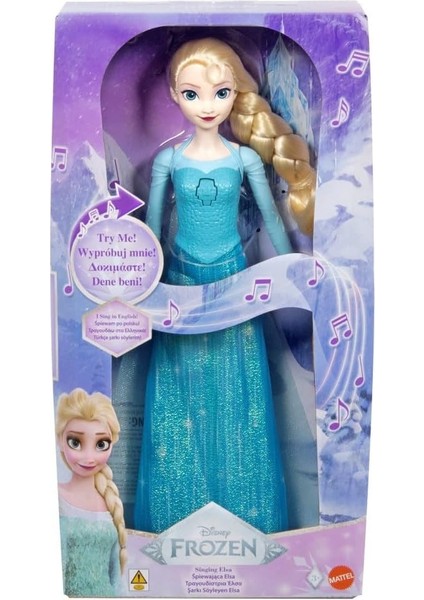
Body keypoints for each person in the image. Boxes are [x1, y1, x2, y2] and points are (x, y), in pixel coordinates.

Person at [134, 37, 315, 534]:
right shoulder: (170, 162)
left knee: (241, 399)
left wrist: (294, 270)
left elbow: (273, 221)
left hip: (236, 281)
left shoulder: (243, 159)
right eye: (192, 94)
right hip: (179, 282)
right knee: (177, 397)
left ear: (237, 94)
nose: (207, 105)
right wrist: (139, 282)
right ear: (175, 95)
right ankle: (174, 517)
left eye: (220, 92)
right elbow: (151, 229)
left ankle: (248, 517)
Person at [56, 388, 127, 596]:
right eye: (75, 442)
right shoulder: (57, 498)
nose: (89, 457)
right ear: (60, 440)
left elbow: (117, 578)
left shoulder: (110, 502)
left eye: (101, 444)